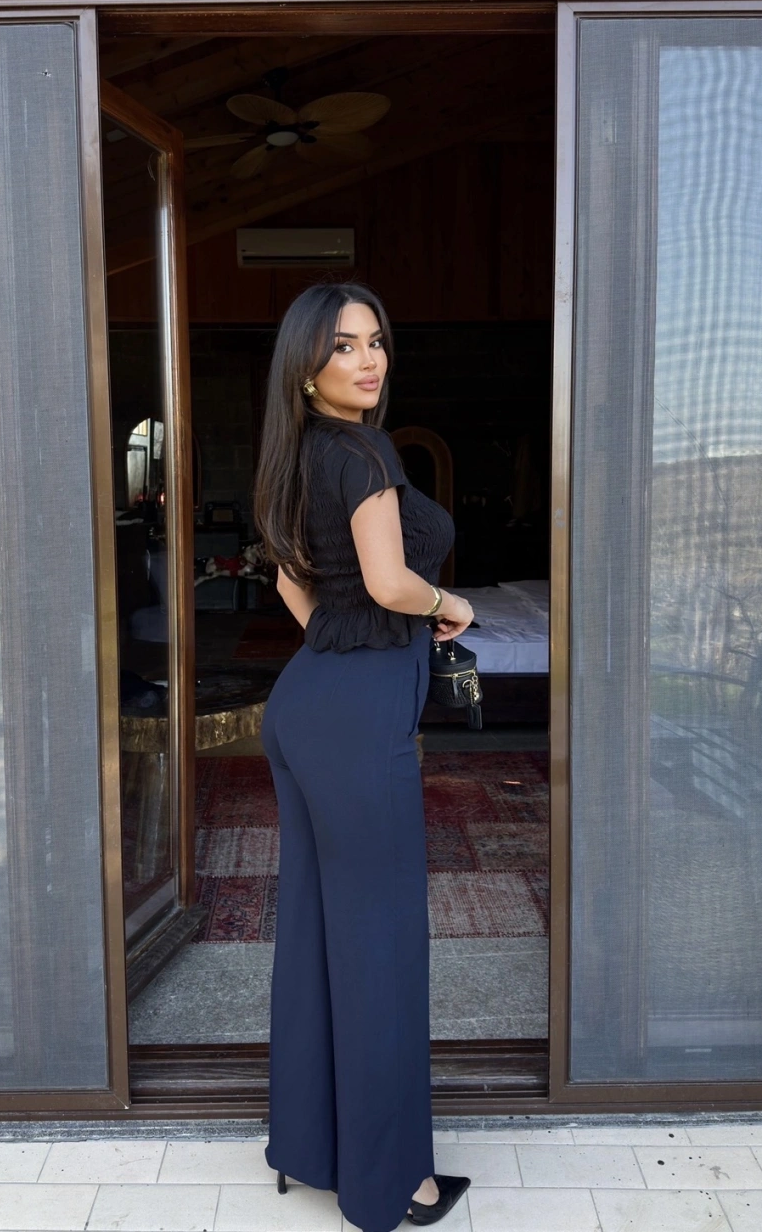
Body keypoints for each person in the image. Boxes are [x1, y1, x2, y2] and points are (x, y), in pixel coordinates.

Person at [253, 282, 475, 1232]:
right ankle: (393, 1184)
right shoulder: (365, 452)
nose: (367, 358)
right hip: (355, 715)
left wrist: (334, 648)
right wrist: (450, 606)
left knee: (317, 933)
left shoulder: (300, 451)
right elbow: (388, 581)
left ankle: (309, 1148)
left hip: (307, 701)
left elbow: (288, 579)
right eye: (343, 345)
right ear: (307, 365)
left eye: (375, 340)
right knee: (381, 945)